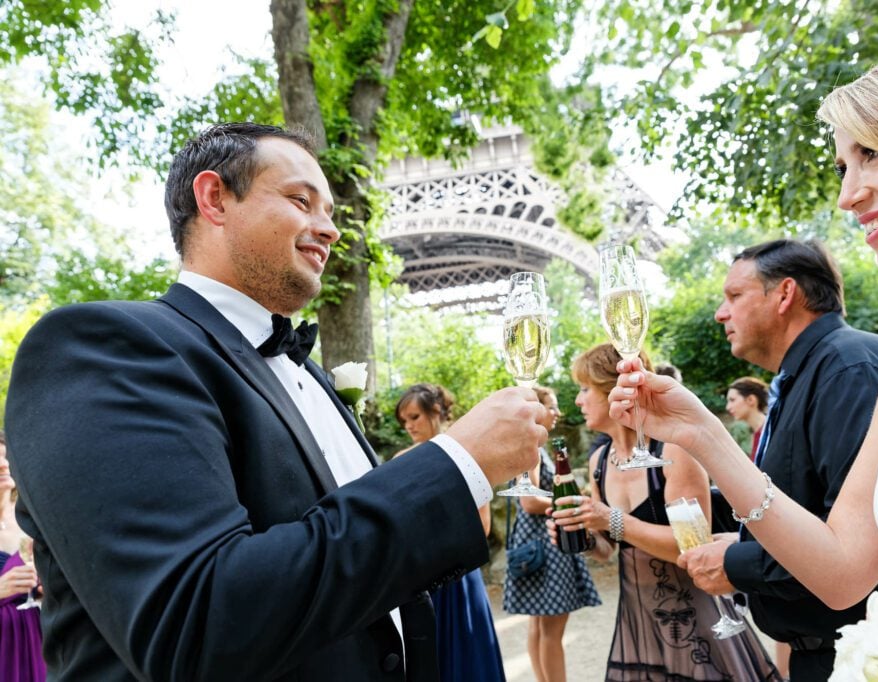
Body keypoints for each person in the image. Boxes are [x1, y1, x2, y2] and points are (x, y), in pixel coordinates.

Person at [4, 123, 547, 681]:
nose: (330, 229)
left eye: (331, 211)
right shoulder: (101, 348)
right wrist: (457, 465)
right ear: (214, 198)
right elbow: (197, 623)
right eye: (300, 200)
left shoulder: (307, 374)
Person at [608, 30, 878, 679]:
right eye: (842, 168)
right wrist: (704, 436)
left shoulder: (859, 365)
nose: (847, 195)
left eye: (873, 154)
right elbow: (839, 575)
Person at [627, 239, 878, 681]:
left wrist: (739, 565)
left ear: (785, 294)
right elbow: (806, 507)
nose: (720, 313)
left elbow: (871, 546)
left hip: (864, 658)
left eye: (734, 295)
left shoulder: (848, 369)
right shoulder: (807, 376)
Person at [551, 344, 780, 681]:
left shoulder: (672, 451)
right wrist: (582, 536)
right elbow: (608, 550)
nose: (578, 400)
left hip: (695, 621)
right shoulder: (599, 462)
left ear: (615, 390)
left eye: (585, 389)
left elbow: (691, 548)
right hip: (638, 625)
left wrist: (610, 519)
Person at [394, 383, 506, 682]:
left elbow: (482, 526)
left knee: (468, 657)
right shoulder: (400, 460)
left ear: (436, 412)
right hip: (419, 578)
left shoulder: (465, 455)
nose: (409, 426)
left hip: (458, 574)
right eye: (404, 421)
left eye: (414, 417)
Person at [502, 386, 600, 682]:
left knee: (539, 627)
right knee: (552, 630)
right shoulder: (531, 447)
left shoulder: (535, 446)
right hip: (547, 543)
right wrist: (572, 504)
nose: (558, 413)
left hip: (533, 542)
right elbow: (529, 501)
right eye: (552, 407)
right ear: (535, 410)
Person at [0, 432, 45, 682]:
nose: (4, 464)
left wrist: (47, 589)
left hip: (37, 639)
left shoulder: (33, 523)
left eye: (6, 457)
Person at [725, 377, 768, 460]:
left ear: (751, 400)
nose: (728, 407)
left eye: (732, 400)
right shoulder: (756, 434)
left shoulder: (771, 433)